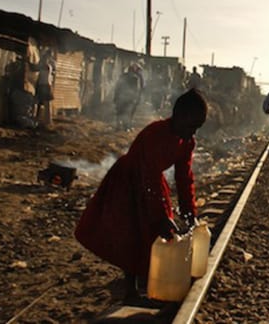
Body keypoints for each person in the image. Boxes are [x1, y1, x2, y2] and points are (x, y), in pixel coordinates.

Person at [74, 89, 208, 302]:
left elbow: (184, 177)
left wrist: (189, 211)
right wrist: (162, 215)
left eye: (197, 129)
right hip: (127, 180)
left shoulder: (187, 142)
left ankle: (149, 278)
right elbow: (148, 175)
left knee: (153, 233)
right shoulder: (156, 134)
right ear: (179, 116)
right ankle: (130, 290)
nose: (193, 133)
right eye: (191, 126)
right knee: (132, 232)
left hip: (150, 181)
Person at [114, 65, 143, 130]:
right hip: (129, 98)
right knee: (128, 112)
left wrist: (116, 96)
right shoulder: (135, 78)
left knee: (120, 112)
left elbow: (117, 87)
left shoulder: (122, 76)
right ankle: (126, 127)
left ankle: (119, 126)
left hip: (121, 97)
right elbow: (137, 89)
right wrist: (136, 98)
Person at [34, 50, 56, 126]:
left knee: (44, 103)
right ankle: (44, 120)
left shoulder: (46, 65)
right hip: (44, 84)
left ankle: (45, 120)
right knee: (42, 103)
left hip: (45, 85)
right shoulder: (49, 65)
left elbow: (36, 68)